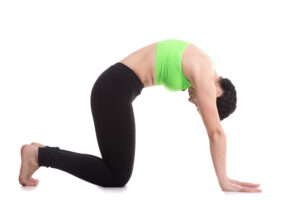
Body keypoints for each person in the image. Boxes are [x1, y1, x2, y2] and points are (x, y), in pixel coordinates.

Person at [18, 38, 262, 192]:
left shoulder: (204, 63)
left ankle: (41, 152)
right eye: (200, 105)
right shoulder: (204, 73)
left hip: (115, 88)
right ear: (217, 93)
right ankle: (38, 155)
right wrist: (224, 179)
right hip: (113, 90)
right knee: (116, 176)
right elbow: (216, 132)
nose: (193, 101)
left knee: (117, 172)